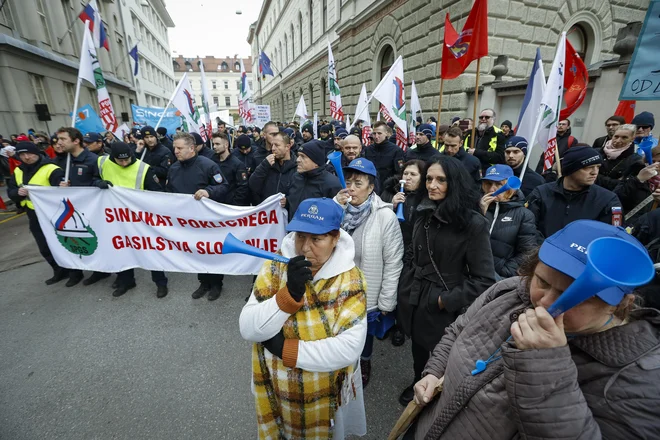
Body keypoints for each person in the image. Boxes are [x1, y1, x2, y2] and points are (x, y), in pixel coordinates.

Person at [407, 220, 660, 440]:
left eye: (573, 296)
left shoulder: (640, 382)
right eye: (542, 281)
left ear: (620, 305)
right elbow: (457, 330)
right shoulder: (509, 291)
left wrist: (546, 364)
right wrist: (433, 371)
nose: (546, 302)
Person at [239, 198, 368, 440]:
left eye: (317, 239)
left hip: (326, 394)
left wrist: (285, 349)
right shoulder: (274, 268)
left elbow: (349, 347)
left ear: (335, 239)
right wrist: (289, 295)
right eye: (300, 236)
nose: (305, 248)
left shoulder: (352, 280)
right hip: (278, 388)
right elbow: (248, 327)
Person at [397, 155, 496, 406]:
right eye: (429, 179)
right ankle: (417, 379)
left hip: (445, 303)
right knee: (418, 347)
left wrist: (444, 300)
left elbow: (484, 279)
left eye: (441, 180)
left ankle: (440, 391)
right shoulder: (423, 212)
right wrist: (408, 280)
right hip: (416, 293)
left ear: (455, 183)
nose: (432, 185)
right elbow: (413, 250)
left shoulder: (473, 224)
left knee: (445, 353)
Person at [334, 158, 404, 387]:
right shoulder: (338, 209)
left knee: (364, 333)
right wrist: (335, 207)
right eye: (349, 182)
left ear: (371, 187)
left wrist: (386, 301)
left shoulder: (385, 216)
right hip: (337, 285)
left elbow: (393, 261)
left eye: (358, 183)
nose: (351, 188)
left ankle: (364, 361)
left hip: (366, 289)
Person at [98, 142, 168, 298]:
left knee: (151, 251)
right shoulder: (102, 162)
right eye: (120, 161)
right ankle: (126, 281)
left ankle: (160, 283)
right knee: (121, 250)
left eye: (127, 160)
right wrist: (97, 183)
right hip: (115, 217)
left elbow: (157, 194)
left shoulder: (143, 169)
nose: (124, 163)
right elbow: (92, 178)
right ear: (112, 157)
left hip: (140, 219)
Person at [166, 133, 230, 301]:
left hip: (208, 221)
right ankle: (203, 282)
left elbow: (223, 186)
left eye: (179, 148)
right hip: (186, 222)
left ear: (192, 148)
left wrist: (208, 191)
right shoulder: (173, 169)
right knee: (196, 252)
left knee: (211, 252)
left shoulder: (208, 165)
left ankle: (216, 284)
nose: (176, 151)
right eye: (174, 148)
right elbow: (169, 194)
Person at [380, 159, 427, 347]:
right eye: (405, 173)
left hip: (411, 251)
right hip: (389, 247)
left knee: (402, 290)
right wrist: (390, 204)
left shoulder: (424, 197)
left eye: (413, 174)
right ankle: (385, 321)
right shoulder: (389, 191)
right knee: (387, 286)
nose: (407, 178)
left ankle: (400, 326)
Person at [526, 146, 621, 238]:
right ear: (571, 168)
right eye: (588, 167)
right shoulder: (541, 193)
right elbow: (527, 229)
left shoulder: (608, 200)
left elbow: (612, 237)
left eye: (598, 167)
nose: (594, 172)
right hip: (541, 251)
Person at [7, 141, 67, 285]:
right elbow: (11, 192)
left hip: (53, 213)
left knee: (62, 242)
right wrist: (17, 192)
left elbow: (62, 193)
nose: (26, 157)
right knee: (43, 245)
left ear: (36, 153)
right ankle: (58, 270)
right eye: (22, 154)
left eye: (29, 153)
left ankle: (73, 270)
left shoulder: (51, 169)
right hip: (33, 213)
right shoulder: (18, 171)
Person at [56, 127, 104, 287]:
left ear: (76, 141)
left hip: (93, 210)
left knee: (96, 241)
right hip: (72, 211)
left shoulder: (93, 160)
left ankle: (101, 271)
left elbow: (99, 181)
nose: (59, 142)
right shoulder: (64, 161)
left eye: (63, 139)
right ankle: (78, 271)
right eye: (58, 139)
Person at [479, 165, 539, 280]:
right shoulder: (476, 207)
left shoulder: (523, 215)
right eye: (488, 184)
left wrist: (503, 271)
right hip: (472, 273)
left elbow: (527, 252)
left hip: (499, 278)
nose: (492, 189)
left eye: (499, 184)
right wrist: (480, 214)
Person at [285, 140, 343, 221]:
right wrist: (286, 202)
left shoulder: (331, 183)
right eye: (298, 156)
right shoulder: (295, 177)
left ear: (316, 162)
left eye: (303, 156)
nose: (297, 160)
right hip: (293, 231)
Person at [248, 131, 297, 204]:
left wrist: (288, 202)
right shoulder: (267, 164)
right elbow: (253, 184)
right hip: (268, 212)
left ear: (287, 147)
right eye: (272, 145)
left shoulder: (297, 167)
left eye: (277, 145)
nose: (273, 148)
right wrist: (264, 166)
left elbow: (299, 195)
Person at [595, 124, 643, 190]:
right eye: (616, 137)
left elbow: (626, 186)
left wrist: (597, 177)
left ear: (632, 139)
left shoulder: (635, 160)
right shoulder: (596, 152)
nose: (618, 141)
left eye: (624, 137)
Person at [364, 121, 405, 194]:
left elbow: (399, 172)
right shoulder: (368, 150)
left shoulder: (396, 150)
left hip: (388, 191)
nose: (376, 136)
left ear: (386, 133)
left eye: (379, 133)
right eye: (374, 133)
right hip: (371, 190)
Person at [211, 132, 249, 206]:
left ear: (226, 145)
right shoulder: (212, 161)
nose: (214, 147)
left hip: (230, 206)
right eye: (213, 144)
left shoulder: (237, 164)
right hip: (215, 204)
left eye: (217, 144)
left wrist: (234, 205)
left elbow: (243, 187)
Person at [463, 108, 506, 172]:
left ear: (493, 119)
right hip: (468, 168)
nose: (483, 119)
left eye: (487, 117)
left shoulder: (499, 134)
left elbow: (500, 157)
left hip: (488, 170)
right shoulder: (470, 133)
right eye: (481, 117)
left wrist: (476, 152)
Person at [134, 125, 174, 191]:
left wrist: (147, 168)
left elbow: (166, 171)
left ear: (155, 137)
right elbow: (135, 165)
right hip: (143, 186)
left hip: (159, 188)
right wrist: (138, 151)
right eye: (146, 137)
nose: (149, 140)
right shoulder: (142, 150)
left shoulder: (165, 151)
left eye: (151, 137)